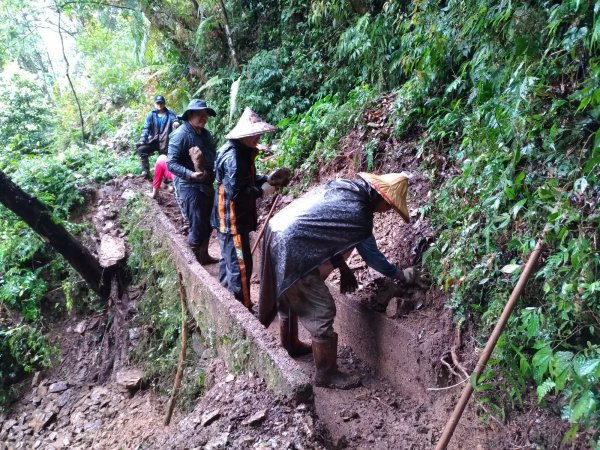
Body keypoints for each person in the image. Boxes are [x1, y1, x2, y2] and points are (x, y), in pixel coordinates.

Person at [258, 173, 425, 389]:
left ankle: (291, 345)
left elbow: (327, 232)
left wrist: (344, 268)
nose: (387, 211)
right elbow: (372, 257)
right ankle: (326, 374)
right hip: (293, 247)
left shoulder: (346, 187)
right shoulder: (360, 216)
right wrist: (401, 275)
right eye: (390, 207)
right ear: (382, 199)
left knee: (287, 292)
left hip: (278, 230)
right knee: (321, 309)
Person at [211, 108, 289, 309]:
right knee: (241, 266)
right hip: (232, 220)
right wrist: (263, 191)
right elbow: (237, 194)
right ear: (243, 135)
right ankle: (242, 308)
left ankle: (224, 298)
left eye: (259, 134)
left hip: (228, 219)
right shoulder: (235, 158)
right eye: (254, 134)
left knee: (229, 260)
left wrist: (265, 179)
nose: (258, 137)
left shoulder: (240, 152)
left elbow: (244, 181)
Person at [167, 99, 218, 264]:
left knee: (210, 222)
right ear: (190, 115)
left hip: (206, 183)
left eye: (206, 115)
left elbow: (212, 156)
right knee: (197, 225)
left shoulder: (205, 134)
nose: (203, 118)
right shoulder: (180, 135)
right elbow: (171, 163)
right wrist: (190, 174)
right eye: (200, 114)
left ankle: (203, 255)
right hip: (189, 186)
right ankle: (190, 263)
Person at [137, 95, 180, 178]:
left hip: (165, 142)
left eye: (161, 103)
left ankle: (167, 176)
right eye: (157, 103)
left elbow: (174, 120)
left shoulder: (169, 114)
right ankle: (145, 172)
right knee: (141, 149)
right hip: (153, 140)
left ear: (164, 103)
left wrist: (176, 123)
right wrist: (143, 139)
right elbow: (146, 128)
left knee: (167, 159)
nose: (159, 105)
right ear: (154, 104)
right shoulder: (151, 114)